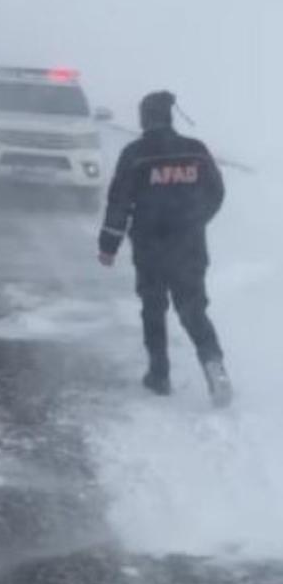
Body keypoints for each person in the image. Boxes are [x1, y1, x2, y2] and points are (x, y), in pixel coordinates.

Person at [97, 90, 231, 406]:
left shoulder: (135, 154)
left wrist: (109, 245)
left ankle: (159, 375)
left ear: (146, 117)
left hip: (150, 247)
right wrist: (195, 221)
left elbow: (118, 203)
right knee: (193, 309)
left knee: (153, 309)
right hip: (190, 246)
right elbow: (217, 192)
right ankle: (215, 367)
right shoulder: (196, 152)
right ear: (169, 117)